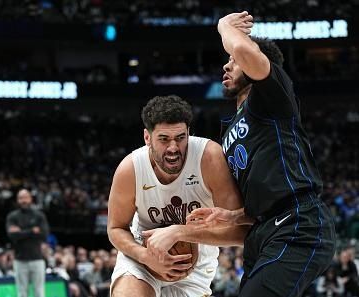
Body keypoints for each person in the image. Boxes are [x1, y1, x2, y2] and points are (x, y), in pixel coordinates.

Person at [186, 11, 337, 297]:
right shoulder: (230, 127)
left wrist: (223, 26)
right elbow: (261, 195)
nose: (226, 66)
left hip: (298, 222)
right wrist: (232, 217)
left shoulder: (272, 96)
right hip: (263, 232)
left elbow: (243, 49)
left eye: (233, 61)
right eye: (228, 60)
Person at [107, 95, 249, 297]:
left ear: (189, 133)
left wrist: (180, 233)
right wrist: (145, 255)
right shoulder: (130, 169)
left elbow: (240, 232)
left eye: (180, 138)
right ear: (147, 137)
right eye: (164, 139)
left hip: (196, 261)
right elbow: (115, 228)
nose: (173, 148)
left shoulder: (209, 158)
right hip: (142, 257)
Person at [6, 189, 49, 297]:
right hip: (20, 261)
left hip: (37, 259)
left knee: (39, 292)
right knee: (22, 293)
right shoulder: (12, 216)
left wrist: (20, 231)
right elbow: (12, 236)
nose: (23, 200)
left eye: (25, 197)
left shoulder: (39, 215)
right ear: (17, 200)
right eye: (21, 198)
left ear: (30, 199)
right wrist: (32, 231)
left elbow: (44, 235)